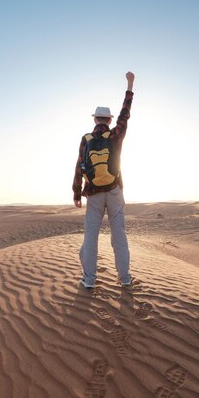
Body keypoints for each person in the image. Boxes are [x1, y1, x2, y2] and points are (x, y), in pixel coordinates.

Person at [72, 71, 135, 289]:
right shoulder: (115, 135)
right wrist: (130, 84)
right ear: (109, 120)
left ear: (94, 120)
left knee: (91, 237)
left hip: (93, 193)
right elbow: (125, 113)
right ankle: (125, 278)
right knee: (119, 235)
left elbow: (79, 166)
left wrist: (76, 193)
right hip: (115, 191)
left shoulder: (86, 139)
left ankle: (89, 280)